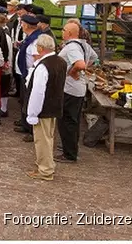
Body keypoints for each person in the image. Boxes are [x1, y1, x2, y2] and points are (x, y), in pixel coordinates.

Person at [24, 35, 66, 181]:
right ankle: (47, 165)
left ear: (41, 48)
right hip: (54, 105)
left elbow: (38, 92)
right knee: (48, 138)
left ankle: (45, 169)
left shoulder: (43, 66)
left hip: (43, 108)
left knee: (42, 140)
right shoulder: (60, 61)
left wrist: (32, 113)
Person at [56, 21, 97, 163]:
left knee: (67, 120)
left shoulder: (72, 47)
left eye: (64, 30)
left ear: (69, 33)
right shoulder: (84, 44)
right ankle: (70, 147)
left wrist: (72, 71)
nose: (62, 32)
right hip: (78, 89)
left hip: (70, 89)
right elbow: (94, 58)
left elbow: (81, 64)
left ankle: (69, 153)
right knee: (72, 120)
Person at [14, 14, 42, 138]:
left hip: (30, 74)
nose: (21, 25)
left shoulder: (36, 41)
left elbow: (37, 59)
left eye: (22, 23)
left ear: (26, 25)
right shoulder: (30, 37)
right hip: (24, 73)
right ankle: (25, 124)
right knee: (24, 100)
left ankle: (31, 130)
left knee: (30, 102)